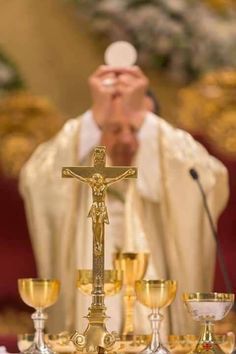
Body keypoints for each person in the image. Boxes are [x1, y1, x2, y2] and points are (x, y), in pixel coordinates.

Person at [19, 65, 228, 337]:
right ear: (97, 130)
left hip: (159, 320)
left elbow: (209, 179)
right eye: (114, 128)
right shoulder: (82, 169)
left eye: (137, 128)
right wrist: (95, 117)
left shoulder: (170, 161)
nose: (127, 139)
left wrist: (141, 115)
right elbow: (36, 177)